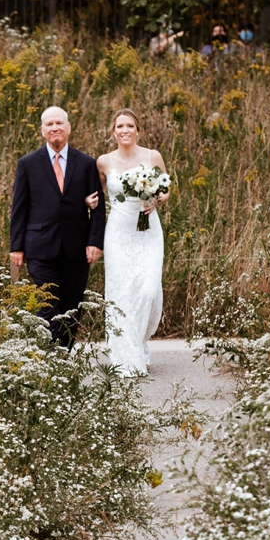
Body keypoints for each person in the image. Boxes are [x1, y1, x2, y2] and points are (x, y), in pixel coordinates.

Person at [9, 106, 106, 348]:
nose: (55, 128)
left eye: (59, 123)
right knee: (48, 305)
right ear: (42, 130)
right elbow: (19, 208)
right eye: (50, 124)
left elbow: (98, 208)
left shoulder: (86, 163)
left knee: (72, 307)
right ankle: (49, 357)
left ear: (69, 128)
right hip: (39, 247)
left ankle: (63, 356)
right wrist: (16, 247)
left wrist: (94, 242)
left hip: (76, 248)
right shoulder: (28, 164)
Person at [95, 109, 166, 375]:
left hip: (149, 233)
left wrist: (156, 199)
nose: (125, 130)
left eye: (130, 126)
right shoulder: (103, 162)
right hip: (118, 233)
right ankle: (126, 352)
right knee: (121, 292)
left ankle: (140, 340)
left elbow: (166, 188)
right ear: (113, 131)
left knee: (148, 289)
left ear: (138, 130)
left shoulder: (152, 156)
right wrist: (89, 202)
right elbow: (98, 195)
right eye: (120, 126)